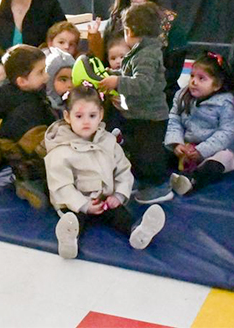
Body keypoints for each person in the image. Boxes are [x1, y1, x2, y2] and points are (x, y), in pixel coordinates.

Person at [45, 83, 166, 259]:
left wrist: (118, 195)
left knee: (121, 215)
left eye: (92, 115)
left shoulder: (109, 141)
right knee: (73, 219)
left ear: (100, 114)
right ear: (67, 116)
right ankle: (69, 240)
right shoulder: (60, 151)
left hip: (105, 201)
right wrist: (84, 205)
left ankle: (137, 232)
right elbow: (61, 185)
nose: (86, 121)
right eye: (79, 116)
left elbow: (123, 170)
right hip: (77, 204)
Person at [97, 2, 172, 203]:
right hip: (138, 115)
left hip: (151, 118)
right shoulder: (140, 51)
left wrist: (117, 81)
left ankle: (159, 186)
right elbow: (129, 73)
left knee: (150, 155)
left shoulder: (147, 54)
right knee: (137, 152)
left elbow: (143, 83)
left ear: (130, 31)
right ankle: (142, 180)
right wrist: (113, 74)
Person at [89, 0, 187, 99]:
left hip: (157, 101)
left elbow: (172, 72)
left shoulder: (171, 22)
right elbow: (105, 64)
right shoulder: (114, 21)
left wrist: (136, 89)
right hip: (117, 98)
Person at [0, 44, 55, 208]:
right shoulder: (25, 111)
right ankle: (26, 185)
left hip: (35, 144)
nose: (46, 76)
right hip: (28, 161)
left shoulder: (29, 94)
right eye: (41, 72)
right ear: (22, 81)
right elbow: (39, 148)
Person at [166, 53, 234, 195]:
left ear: (217, 85)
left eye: (201, 79)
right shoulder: (182, 96)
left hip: (215, 150)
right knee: (162, 150)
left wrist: (202, 150)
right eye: (192, 76)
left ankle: (192, 179)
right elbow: (174, 120)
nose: (194, 82)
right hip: (188, 147)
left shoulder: (225, 103)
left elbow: (227, 132)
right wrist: (176, 143)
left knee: (223, 159)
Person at [44, 47, 75, 112]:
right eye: (63, 80)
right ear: (50, 81)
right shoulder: (44, 108)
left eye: (73, 79)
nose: (70, 85)